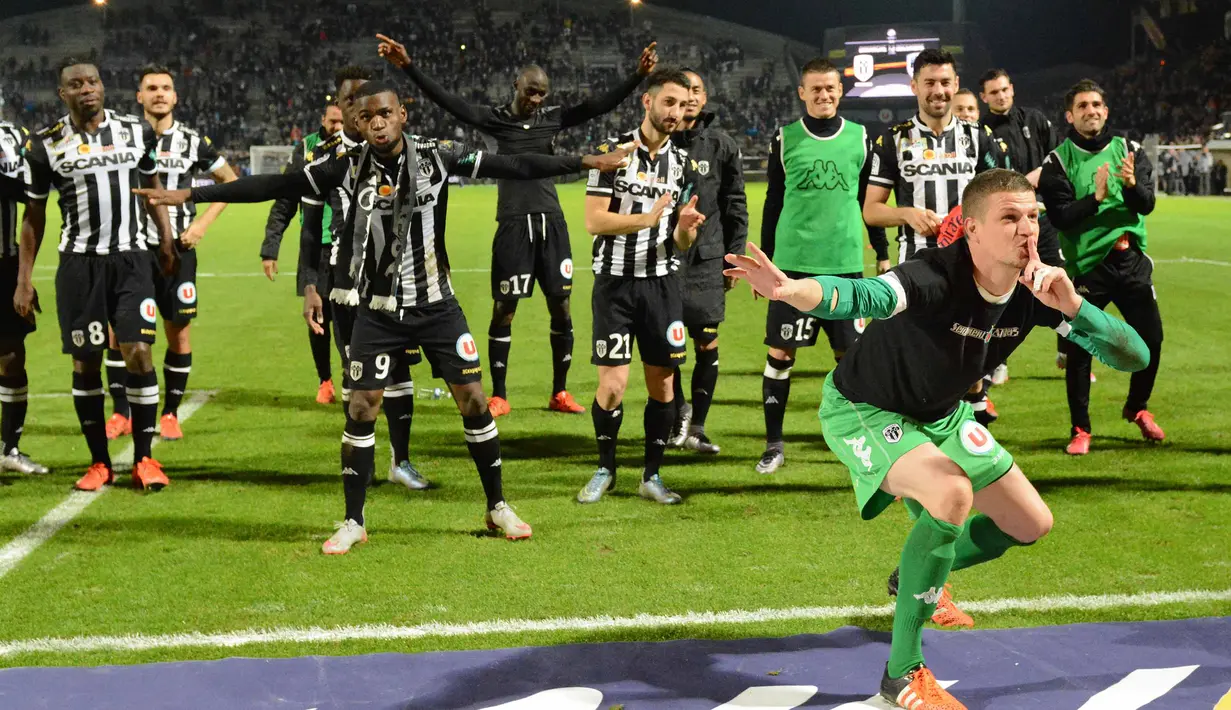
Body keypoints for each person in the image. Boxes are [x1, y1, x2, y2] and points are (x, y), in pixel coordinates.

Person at [135, 79, 634, 552]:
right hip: (375, 309)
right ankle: (354, 521)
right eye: (366, 116)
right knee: (360, 407)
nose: (376, 123)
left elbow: (517, 166)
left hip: (437, 304)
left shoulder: (438, 157)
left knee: (475, 402)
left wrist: (588, 159)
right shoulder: (345, 166)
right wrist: (192, 194)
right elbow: (274, 183)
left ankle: (497, 506)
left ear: (402, 115)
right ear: (356, 121)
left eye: (385, 114)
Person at [725, 169, 1149, 710]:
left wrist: (1074, 307)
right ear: (972, 230)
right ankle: (901, 674)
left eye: (1033, 217)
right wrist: (791, 291)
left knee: (1030, 523)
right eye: (1011, 218)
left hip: (941, 414)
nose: (1028, 230)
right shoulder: (934, 275)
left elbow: (1135, 356)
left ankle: (914, 573)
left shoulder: (1040, 287)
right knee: (951, 494)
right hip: (864, 408)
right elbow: (862, 295)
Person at [379, 32, 659, 418]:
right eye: (531, 92)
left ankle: (559, 393)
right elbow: (451, 103)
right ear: (516, 86)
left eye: (542, 94)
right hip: (513, 225)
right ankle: (501, 394)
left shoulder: (552, 119)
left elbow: (597, 106)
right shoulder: (496, 120)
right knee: (504, 309)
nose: (536, 100)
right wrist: (408, 66)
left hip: (552, 223)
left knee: (561, 308)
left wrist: (636, 76)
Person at [17, 59, 177, 491]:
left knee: (138, 352)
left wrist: (165, 236)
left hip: (130, 258)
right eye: (76, 84)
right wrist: (24, 278)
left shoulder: (135, 131)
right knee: (85, 362)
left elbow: (152, 182)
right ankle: (100, 463)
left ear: (103, 87)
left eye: (93, 81)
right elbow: (33, 216)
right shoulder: (45, 144)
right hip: (78, 266)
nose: (87, 89)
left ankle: (144, 458)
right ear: (62, 93)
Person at [577, 68, 705, 505]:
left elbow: (681, 240)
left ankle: (651, 476)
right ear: (646, 102)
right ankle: (605, 468)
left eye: (682, 105)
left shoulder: (685, 165)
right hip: (615, 284)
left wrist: (685, 228)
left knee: (664, 386)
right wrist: (645, 219)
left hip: (662, 285)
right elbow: (594, 220)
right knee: (611, 386)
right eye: (667, 102)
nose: (674, 112)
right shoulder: (612, 152)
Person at [755, 58, 889, 475]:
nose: (823, 95)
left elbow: (872, 204)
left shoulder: (861, 138)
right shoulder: (785, 138)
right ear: (802, 92)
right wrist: (765, 266)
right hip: (794, 264)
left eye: (830, 88)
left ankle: (856, 441)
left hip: (846, 266)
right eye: (815, 89)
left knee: (851, 358)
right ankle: (774, 444)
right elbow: (773, 202)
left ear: (840, 90)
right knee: (781, 353)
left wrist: (881, 253)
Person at [865, 48, 1008, 428]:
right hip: (917, 267)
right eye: (929, 82)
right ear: (914, 86)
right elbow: (871, 210)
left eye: (945, 82)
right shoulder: (892, 140)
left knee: (971, 365)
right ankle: (910, 458)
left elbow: (1004, 196)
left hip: (971, 266)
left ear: (956, 85)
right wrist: (906, 213)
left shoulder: (980, 138)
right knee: (916, 361)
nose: (938, 90)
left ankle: (977, 455)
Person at [303, 67, 426, 492]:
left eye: (364, 96)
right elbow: (309, 227)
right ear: (341, 108)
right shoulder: (327, 161)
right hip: (346, 284)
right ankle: (364, 461)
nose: (359, 104)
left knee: (401, 372)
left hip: (398, 283)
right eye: (350, 98)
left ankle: (402, 461)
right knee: (358, 374)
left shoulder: (403, 151)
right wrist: (309, 286)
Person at [103, 64, 238, 442]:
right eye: (152, 88)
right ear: (139, 97)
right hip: (129, 249)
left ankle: (170, 414)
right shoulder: (124, 138)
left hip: (177, 249)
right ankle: (120, 413)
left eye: (166, 88)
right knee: (119, 332)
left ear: (175, 97)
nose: (159, 93)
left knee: (178, 332)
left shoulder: (194, 142)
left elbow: (230, 182)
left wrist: (200, 226)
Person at [1037, 79, 1165, 456]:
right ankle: (1080, 429)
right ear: (1070, 115)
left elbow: (1146, 205)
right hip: (1090, 268)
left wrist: (1129, 186)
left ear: (1106, 111)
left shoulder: (1130, 150)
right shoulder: (1057, 161)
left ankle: (1137, 407)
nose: (1091, 111)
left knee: (1152, 341)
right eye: (1082, 106)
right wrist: (1094, 198)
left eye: (1097, 104)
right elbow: (1059, 218)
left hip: (1131, 261)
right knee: (1080, 349)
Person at [665, 67, 747, 455]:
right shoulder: (658, 143)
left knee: (706, 342)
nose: (691, 97)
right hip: (662, 259)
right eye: (684, 92)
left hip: (708, 259)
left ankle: (697, 426)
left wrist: (736, 256)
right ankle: (678, 411)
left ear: (705, 96)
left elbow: (735, 204)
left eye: (697, 90)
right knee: (665, 344)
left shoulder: (722, 145)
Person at [978, 68, 1064, 386]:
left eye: (1004, 89)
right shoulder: (981, 130)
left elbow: (1056, 158)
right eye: (994, 92)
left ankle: (1068, 353)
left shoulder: (1036, 119)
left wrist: (1034, 182)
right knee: (1004, 290)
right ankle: (997, 360)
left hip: (1043, 220)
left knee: (1056, 280)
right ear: (984, 97)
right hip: (1006, 225)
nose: (1001, 95)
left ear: (1012, 89)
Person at [261, 102, 344, 405]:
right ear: (323, 120)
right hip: (315, 247)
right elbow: (286, 197)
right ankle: (325, 381)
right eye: (333, 121)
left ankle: (353, 376)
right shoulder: (307, 148)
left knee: (350, 318)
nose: (337, 127)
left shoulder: (355, 146)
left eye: (342, 122)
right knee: (319, 318)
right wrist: (270, 247)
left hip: (348, 246)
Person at [0, 118, 48, 475]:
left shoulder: (13, 134)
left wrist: (23, 278)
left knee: (12, 355)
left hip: (4, 262)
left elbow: (29, 194)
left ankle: (9, 449)